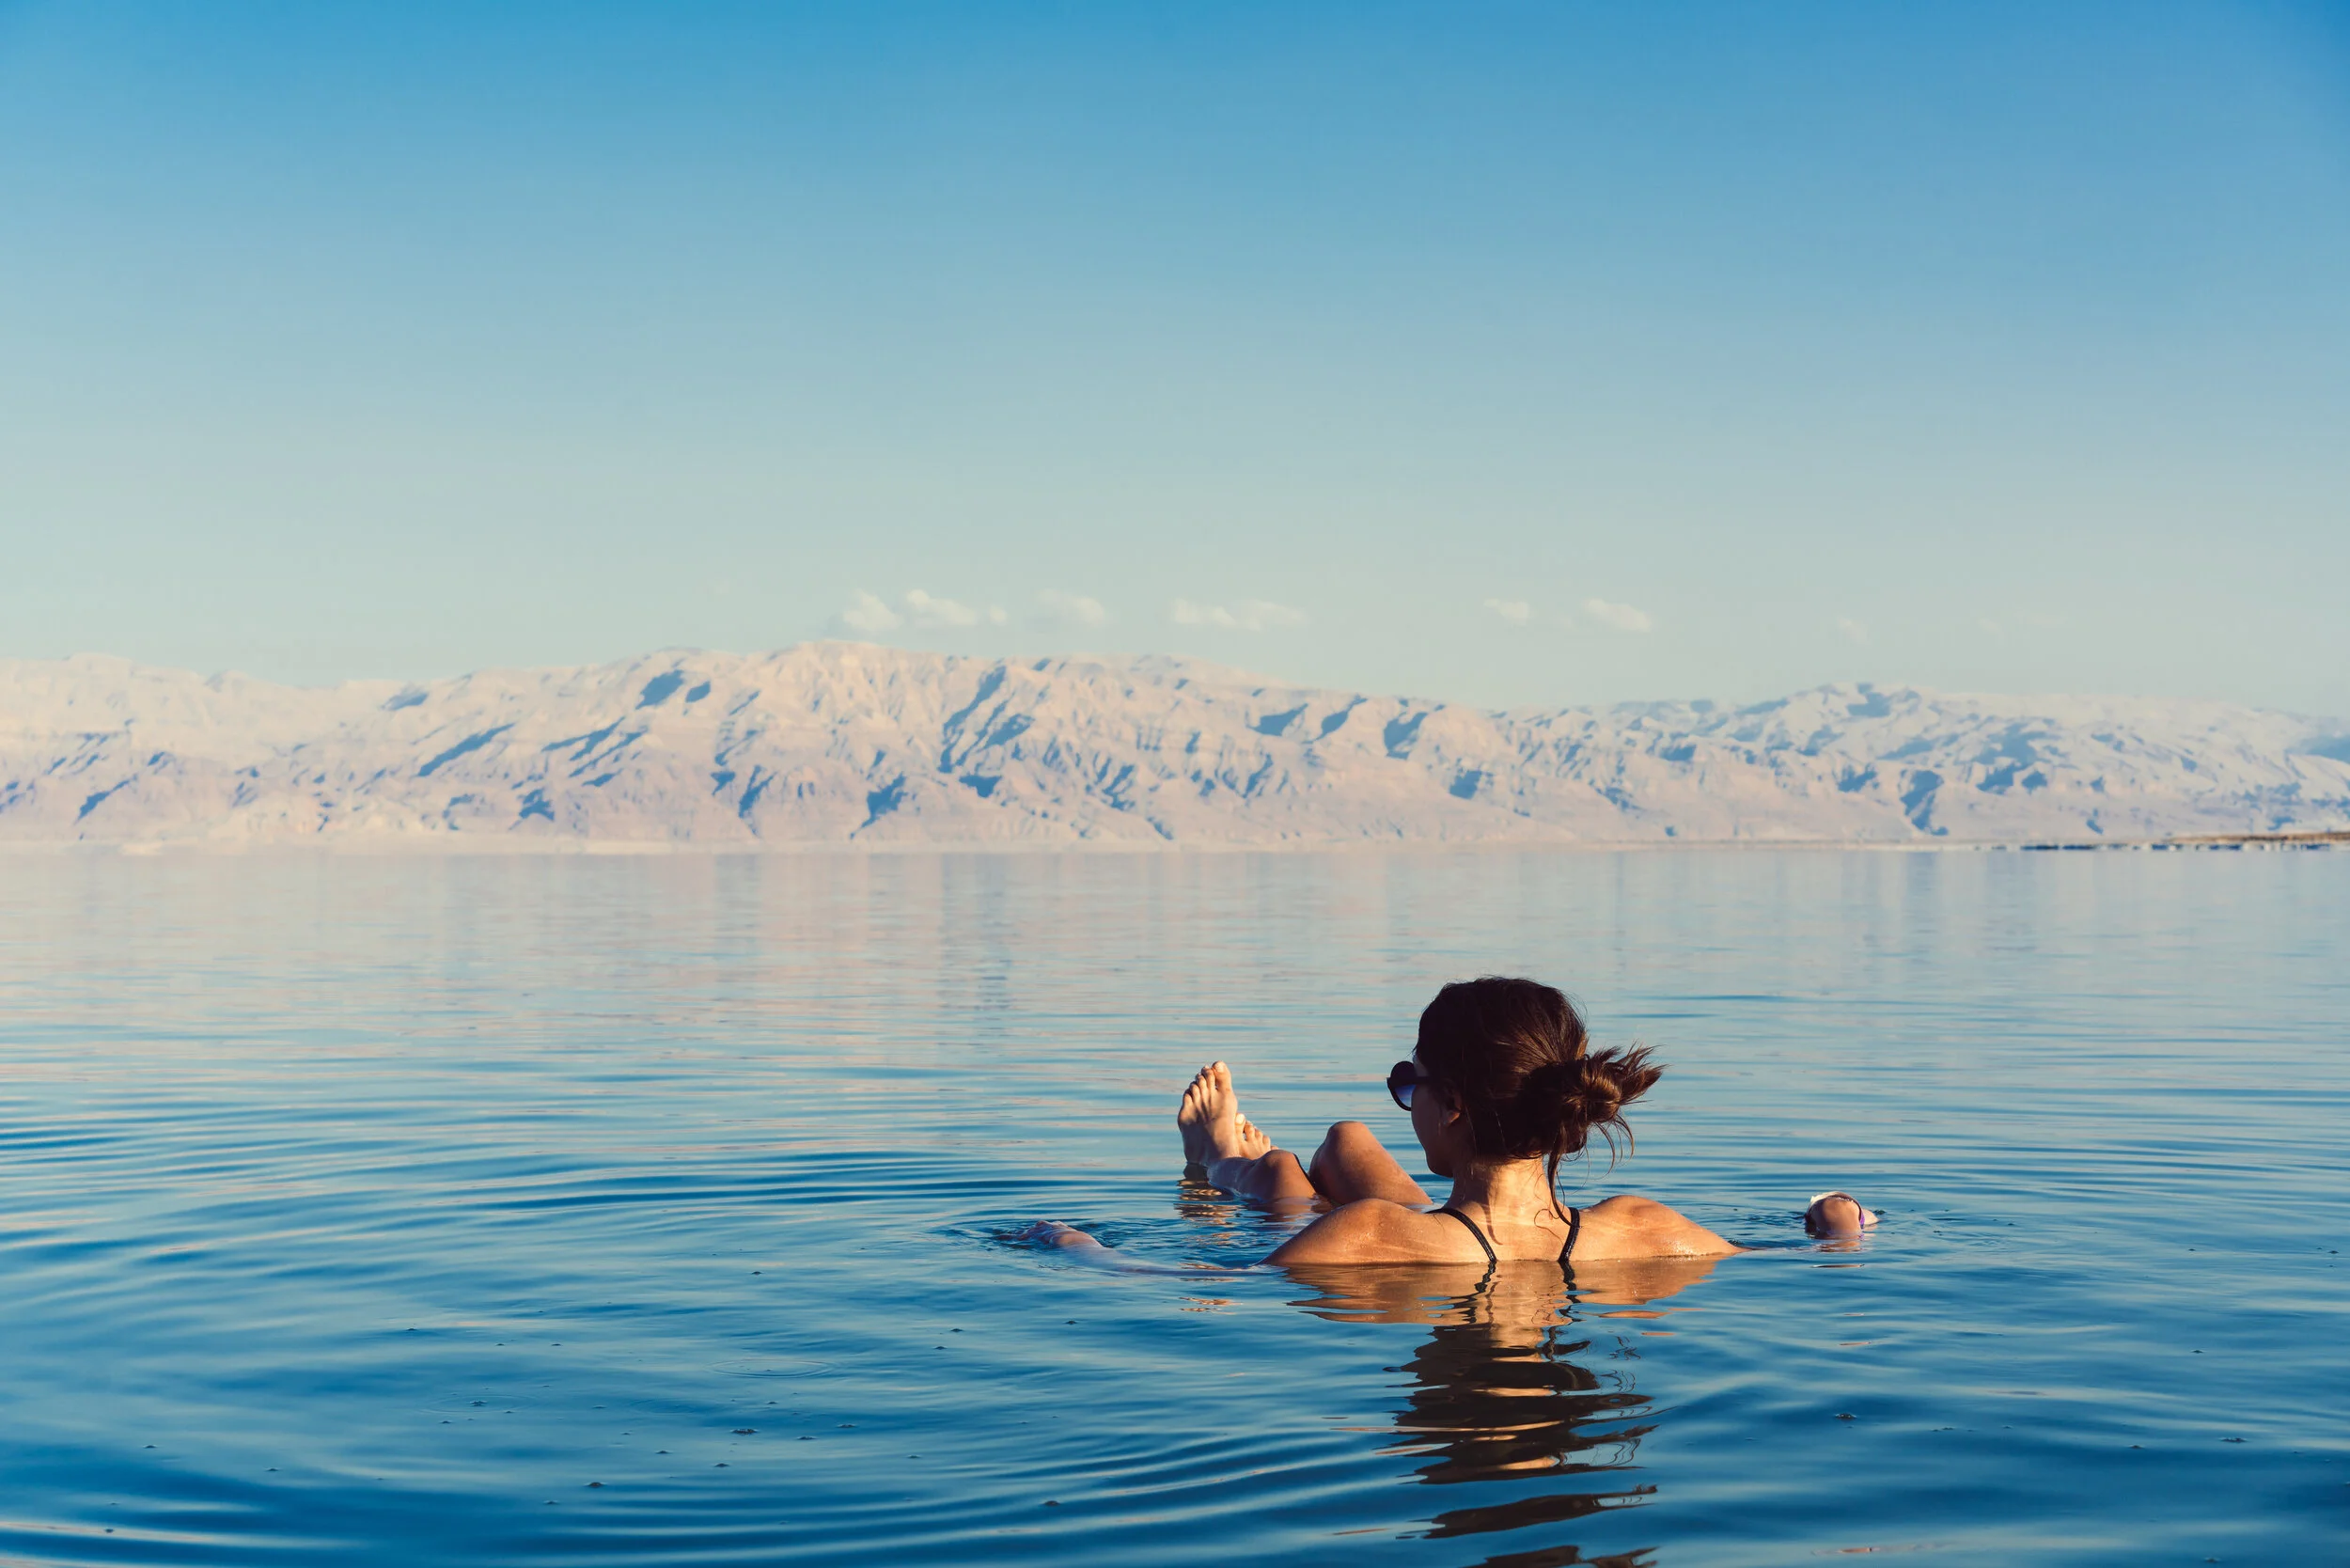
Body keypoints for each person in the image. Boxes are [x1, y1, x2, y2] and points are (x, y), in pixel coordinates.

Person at [1031, 975, 1872, 1269]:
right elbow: (1804, 1256)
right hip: (1503, 1234)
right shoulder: (1647, 1231)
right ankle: (1249, 1165)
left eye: (1411, 1082)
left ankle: (1227, 1164)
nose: (1410, 1101)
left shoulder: (1365, 1238)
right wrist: (1838, 1227)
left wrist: (1065, 1238)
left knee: (1306, 1167)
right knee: (1350, 1142)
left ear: (1454, 1105)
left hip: (1433, 1239)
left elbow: (1172, 1281)